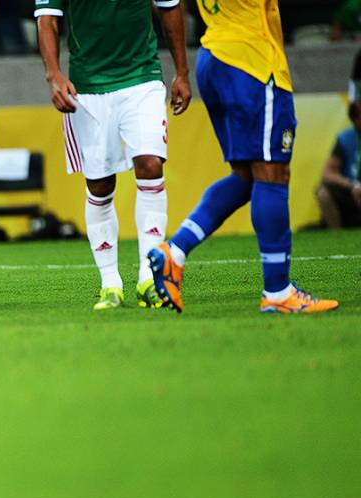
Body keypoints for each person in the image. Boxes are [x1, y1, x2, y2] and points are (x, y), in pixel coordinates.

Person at [148, 0, 339, 314]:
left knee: (247, 176)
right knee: (272, 173)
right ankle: (278, 293)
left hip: (215, 57)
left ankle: (175, 251)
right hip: (251, 62)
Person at [35, 0, 191, 311]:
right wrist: (54, 75)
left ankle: (150, 277)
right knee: (100, 185)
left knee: (150, 165)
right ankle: (110, 283)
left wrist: (182, 73)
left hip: (142, 78)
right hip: (88, 87)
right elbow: (47, 20)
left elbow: (170, 6)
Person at [317, 102, 361, 229]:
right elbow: (327, 173)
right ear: (355, 119)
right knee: (322, 192)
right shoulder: (345, 138)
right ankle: (337, 236)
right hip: (351, 192)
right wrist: (352, 185)